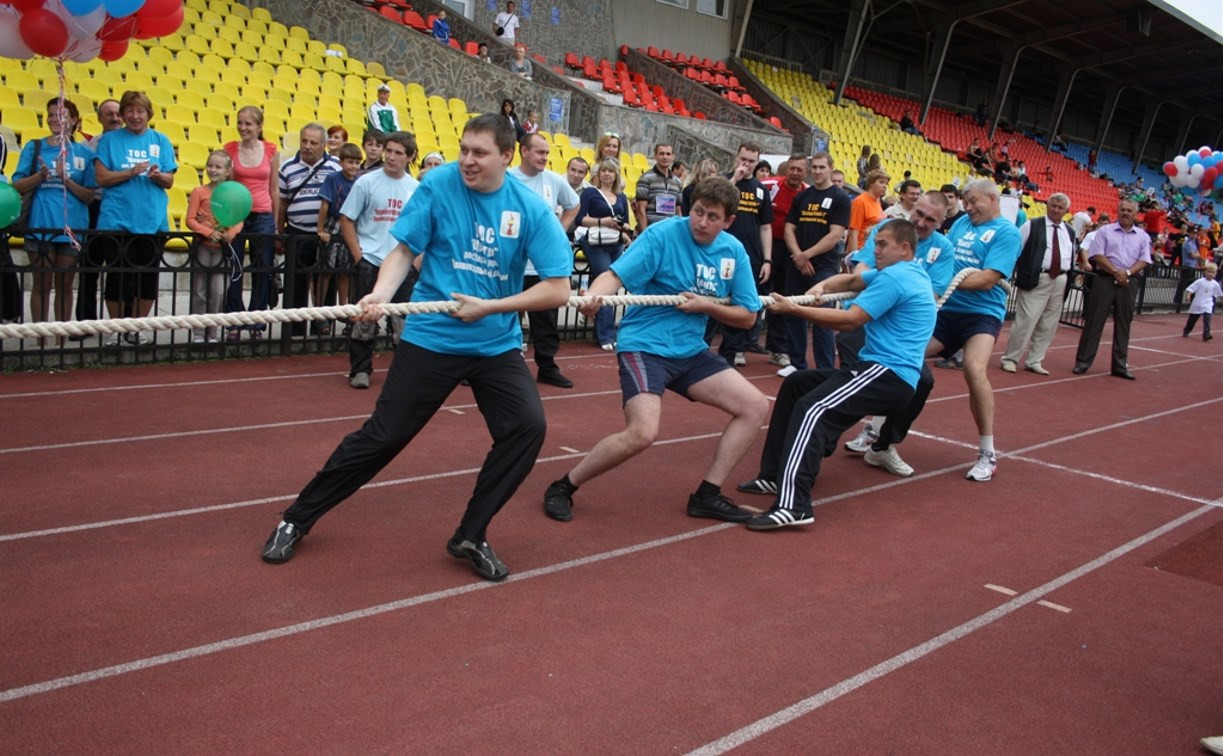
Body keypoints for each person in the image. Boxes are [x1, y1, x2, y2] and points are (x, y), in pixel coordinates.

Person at [261, 113, 573, 581]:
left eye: (479, 153)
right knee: (384, 437)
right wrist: (381, 295)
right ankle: (297, 517)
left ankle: (472, 533)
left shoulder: (529, 209)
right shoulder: (439, 184)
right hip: (433, 337)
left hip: (494, 343)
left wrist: (491, 307)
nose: (467, 160)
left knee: (527, 427)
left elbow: (558, 289)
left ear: (507, 157)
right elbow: (403, 251)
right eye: (463, 149)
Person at [542, 177, 770, 524]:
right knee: (643, 433)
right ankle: (564, 485)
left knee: (754, 405)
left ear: (728, 221)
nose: (702, 222)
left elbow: (747, 316)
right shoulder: (662, 235)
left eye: (712, 217)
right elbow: (614, 276)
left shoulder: (733, 250)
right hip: (645, 346)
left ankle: (707, 494)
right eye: (697, 212)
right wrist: (593, 298)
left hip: (691, 352)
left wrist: (707, 307)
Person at [736, 220, 936, 529]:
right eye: (876, 242)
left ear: (905, 248)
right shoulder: (905, 272)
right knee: (797, 385)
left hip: (887, 373)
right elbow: (854, 282)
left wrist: (796, 310)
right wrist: (823, 286)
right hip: (879, 369)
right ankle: (773, 476)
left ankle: (795, 505)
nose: (875, 249)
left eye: (882, 244)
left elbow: (850, 321)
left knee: (813, 410)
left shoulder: (896, 278)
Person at [836, 191, 954, 477]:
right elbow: (862, 265)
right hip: (863, 318)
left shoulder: (943, 249)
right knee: (850, 383)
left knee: (922, 381)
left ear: (941, 222)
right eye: (919, 213)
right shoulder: (886, 228)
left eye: (931, 219)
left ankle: (883, 444)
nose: (922, 222)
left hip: (896, 333)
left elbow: (933, 293)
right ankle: (821, 441)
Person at [926, 179, 1021, 482]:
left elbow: (986, 280)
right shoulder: (961, 224)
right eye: (965, 201)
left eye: (972, 201)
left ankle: (987, 452)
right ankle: (876, 429)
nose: (967, 207)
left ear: (992, 199)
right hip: (947, 310)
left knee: (974, 369)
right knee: (905, 354)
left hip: (981, 313)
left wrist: (938, 285)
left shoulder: (1007, 233)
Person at [92, 90, 176, 346]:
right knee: (116, 278)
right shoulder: (109, 140)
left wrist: (157, 175)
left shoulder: (161, 140)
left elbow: (170, 180)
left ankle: (138, 328)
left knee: (147, 279)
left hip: (152, 220)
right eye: (130, 110)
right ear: (123, 114)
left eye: (140, 110)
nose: (135, 115)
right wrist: (130, 172)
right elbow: (101, 178)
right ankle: (117, 329)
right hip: (116, 220)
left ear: (148, 113)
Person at [339, 131, 420, 389]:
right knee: (364, 318)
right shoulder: (366, 182)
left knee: (403, 322)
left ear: (409, 157)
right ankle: (360, 370)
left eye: (398, 153)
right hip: (370, 260)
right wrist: (358, 254)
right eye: (389, 150)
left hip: (402, 265)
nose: (391, 157)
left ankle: (403, 371)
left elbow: (422, 228)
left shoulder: (415, 188)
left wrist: (416, 262)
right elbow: (347, 219)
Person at [12, 98, 96, 325]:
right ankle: (41, 344)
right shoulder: (35, 147)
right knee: (41, 285)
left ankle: (59, 343)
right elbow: (17, 186)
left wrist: (65, 179)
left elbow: (89, 196)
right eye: (50, 114)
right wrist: (39, 177)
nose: (53, 119)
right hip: (40, 226)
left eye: (60, 114)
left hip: (72, 229)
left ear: (74, 120)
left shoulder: (85, 154)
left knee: (65, 286)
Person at [510, 132, 579, 388]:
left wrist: (559, 230)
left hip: (543, 268)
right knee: (504, 319)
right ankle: (492, 368)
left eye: (547, 153)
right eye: (540, 152)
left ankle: (547, 367)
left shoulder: (553, 180)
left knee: (546, 321)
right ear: (524, 151)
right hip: (512, 265)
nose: (545, 158)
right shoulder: (507, 180)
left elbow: (574, 204)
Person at [781, 152, 851, 373]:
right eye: (815, 168)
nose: (818, 172)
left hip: (824, 266)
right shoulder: (802, 196)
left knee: (822, 317)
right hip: (798, 264)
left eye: (822, 167)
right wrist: (799, 256)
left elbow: (835, 235)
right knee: (794, 313)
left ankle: (825, 368)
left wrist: (807, 255)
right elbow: (789, 229)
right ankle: (797, 364)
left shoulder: (840, 199)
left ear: (831, 168)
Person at [1072, 198, 1151, 379]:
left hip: (1129, 283)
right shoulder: (1105, 231)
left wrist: (1128, 274)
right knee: (1094, 322)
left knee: (1123, 324)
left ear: (1135, 214)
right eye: (1122, 209)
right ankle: (1083, 362)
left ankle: (1120, 365)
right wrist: (1117, 272)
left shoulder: (1142, 236)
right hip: (1105, 280)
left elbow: (1144, 260)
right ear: (1117, 211)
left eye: (1129, 210)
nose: (1125, 213)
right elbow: (1097, 255)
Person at [999, 193, 1074, 376]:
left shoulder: (1069, 231)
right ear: (1047, 206)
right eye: (1053, 206)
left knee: (1049, 324)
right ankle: (1010, 358)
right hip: (1037, 278)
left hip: (1060, 280)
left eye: (1060, 207)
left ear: (1066, 211)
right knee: (1026, 321)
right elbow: (1017, 250)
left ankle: (1035, 360)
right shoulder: (1032, 225)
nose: (1055, 210)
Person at [714, 142, 773, 367]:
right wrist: (735, 180)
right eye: (743, 159)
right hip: (720, 254)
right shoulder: (724, 181)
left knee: (742, 305)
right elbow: (716, 201)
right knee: (715, 300)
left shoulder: (760, 190)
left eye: (751, 161)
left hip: (750, 256)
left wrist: (767, 260)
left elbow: (765, 226)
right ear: (736, 157)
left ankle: (731, 352)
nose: (746, 164)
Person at [223, 105, 280, 340]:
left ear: (259, 126)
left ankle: (257, 321)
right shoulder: (229, 150)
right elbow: (225, 187)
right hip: (237, 214)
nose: (243, 127)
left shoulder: (271, 150)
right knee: (234, 267)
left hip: (263, 214)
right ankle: (234, 320)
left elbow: (274, 188)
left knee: (262, 268)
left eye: (248, 123)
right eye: (240, 122)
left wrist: (276, 223)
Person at [278, 123, 340, 336]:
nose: (307, 146)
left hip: (326, 234)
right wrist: (280, 234)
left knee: (325, 280)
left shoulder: (336, 166)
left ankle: (322, 325)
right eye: (304, 141)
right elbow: (282, 203)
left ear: (323, 145)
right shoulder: (287, 167)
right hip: (297, 232)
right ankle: (294, 328)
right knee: (296, 281)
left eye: (313, 143)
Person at [73, 98, 125, 327]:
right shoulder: (89, 147)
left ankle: (122, 324)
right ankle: (86, 322)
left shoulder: (131, 143)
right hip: (94, 207)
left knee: (121, 269)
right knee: (89, 268)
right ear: (99, 118)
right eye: (108, 114)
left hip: (121, 209)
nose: (114, 118)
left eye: (117, 113)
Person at [185, 150, 242, 343]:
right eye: (210, 166)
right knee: (200, 290)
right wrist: (208, 232)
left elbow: (238, 219)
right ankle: (198, 332)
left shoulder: (232, 193)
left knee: (217, 290)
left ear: (227, 171)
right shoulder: (199, 192)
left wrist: (230, 234)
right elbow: (190, 220)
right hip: (203, 245)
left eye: (218, 167)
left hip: (221, 249)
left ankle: (213, 331)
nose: (213, 170)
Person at [575, 157, 630, 350]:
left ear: (616, 175)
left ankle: (606, 331)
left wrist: (625, 232)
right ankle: (605, 335)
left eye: (611, 171)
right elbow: (580, 219)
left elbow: (627, 222)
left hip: (616, 243)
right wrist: (603, 222)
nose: (607, 174)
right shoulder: (590, 193)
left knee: (613, 287)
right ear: (599, 173)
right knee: (605, 284)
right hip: (596, 243)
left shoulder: (622, 197)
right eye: (604, 171)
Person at [760, 154, 809, 369]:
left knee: (782, 296)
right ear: (785, 169)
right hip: (766, 247)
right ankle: (740, 344)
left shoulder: (808, 194)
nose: (795, 173)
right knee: (757, 292)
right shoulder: (769, 186)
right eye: (792, 169)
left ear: (805, 172)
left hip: (790, 250)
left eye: (800, 169)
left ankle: (777, 349)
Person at [316, 142, 364, 335]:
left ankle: (344, 309)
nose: (353, 167)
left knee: (345, 271)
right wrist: (320, 229)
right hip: (333, 223)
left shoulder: (360, 182)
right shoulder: (333, 179)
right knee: (326, 270)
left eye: (356, 163)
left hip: (351, 225)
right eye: (350, 162)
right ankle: (320, 312)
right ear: (342, 162)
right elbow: (325, 206)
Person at [633, 143, 683, 232]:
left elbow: (678, 211)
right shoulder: (645, 178)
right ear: (655, 156)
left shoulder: (677, 182)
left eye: (668, 154)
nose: (665, 157)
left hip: (669, 232)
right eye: (661, 153)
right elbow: (641, 210)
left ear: (673, 157)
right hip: (651, 231)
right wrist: (645, 234)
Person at [848, 168, 888, 255]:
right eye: (881, 182)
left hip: (873, 250)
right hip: (861, 251)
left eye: (886, 183)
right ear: (871, 184)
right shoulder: (860, 201)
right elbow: (853, 233)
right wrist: (854, 257)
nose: (885, 186)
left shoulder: (877, 200)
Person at [1183, 263, 1221, 340]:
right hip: (1197, 303)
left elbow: (1219, 294)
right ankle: (1187, 330)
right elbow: (1191, 289)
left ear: (1215, 273)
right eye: (1208, 271)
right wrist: (1188, 295)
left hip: (1207, 304)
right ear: (1205, 272)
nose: (1210, 274)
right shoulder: (1200, 281)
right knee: (1192, 320)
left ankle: (1206, 334)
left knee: (1207, 320)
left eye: (1212, 272)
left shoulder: (1215, 284)